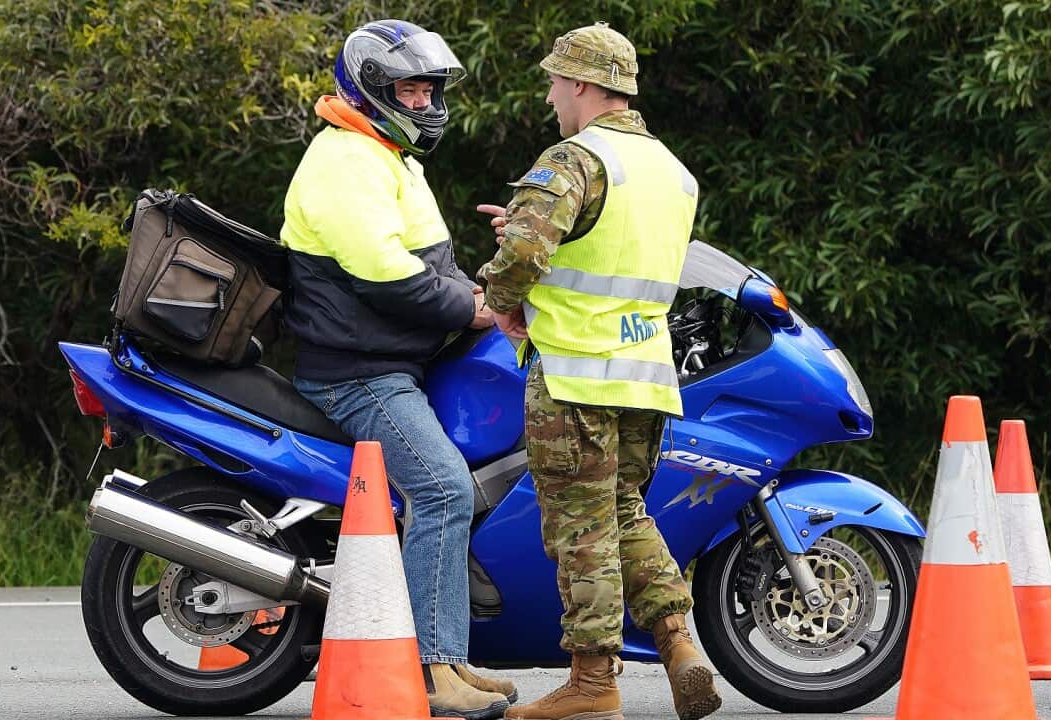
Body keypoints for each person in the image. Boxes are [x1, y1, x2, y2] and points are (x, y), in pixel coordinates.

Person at [476, 22, 721, 720]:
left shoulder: (576, 158)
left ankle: (591, 686)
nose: (552, 95)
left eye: (556, 81)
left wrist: (504, 305)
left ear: (582, 84)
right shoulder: (673, 171)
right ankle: (679, 645)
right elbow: (605, 251)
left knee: (581, 530)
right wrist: (528, 244)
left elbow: (525, 254)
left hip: (576, 375)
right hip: (644, 373)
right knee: (623, 513)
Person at [279, 19, 513, 720]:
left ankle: (454, 657)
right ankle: (433, 671)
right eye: (409, 89)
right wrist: (472, 310)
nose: (424, 102)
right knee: (442, 488)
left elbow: (430, 265)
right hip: (358, 373)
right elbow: (388, 277)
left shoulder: (387, 156)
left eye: (428, 89)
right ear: (373, 91)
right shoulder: (345, 159)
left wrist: (484, 295)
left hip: (391, 362)